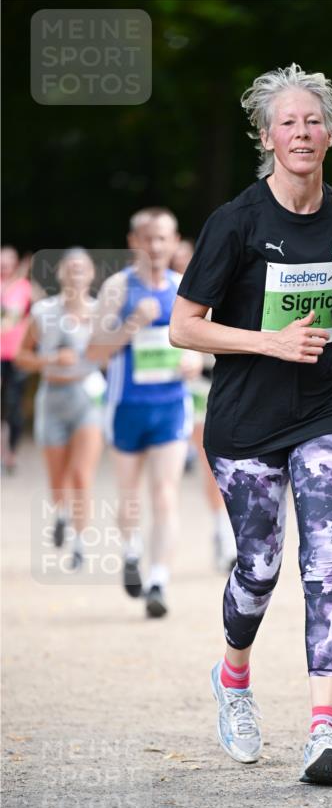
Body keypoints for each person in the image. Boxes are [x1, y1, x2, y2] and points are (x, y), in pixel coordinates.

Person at [170, 63, 332, 785]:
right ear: (266, 137)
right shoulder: (234, 223)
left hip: (330, 405)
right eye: (287, 122)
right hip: (245, 418)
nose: (301, 133)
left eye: (313, 121)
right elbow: (183, 328)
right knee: (260, 567)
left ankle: (322, 732)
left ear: (330, 133)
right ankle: (233, 678)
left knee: (326, 556)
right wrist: (268, 341)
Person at [87, 208, 202, 618]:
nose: (156, 247)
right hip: (126, 408)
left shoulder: (185, 288)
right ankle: (131, 551)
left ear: (174, 242)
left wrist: (196, 362)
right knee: (130, 494)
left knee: (166, 495)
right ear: (134, 241)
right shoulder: (118, 289)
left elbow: (204, 346)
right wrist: (130, 325)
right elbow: (93, 352)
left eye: (163, 239)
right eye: (148, 238)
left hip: (170, 406)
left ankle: (158, 582)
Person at [16, 249, 104, 568]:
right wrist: (51, 359)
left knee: (81, 475)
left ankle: (79, 546)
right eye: (71, 267)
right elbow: (22, 357)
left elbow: (112, 356)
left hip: (87, 399)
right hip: (52, 397)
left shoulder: (100, 313)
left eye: (83, 268)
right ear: (61, 274)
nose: (76, 273)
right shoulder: (42, 312)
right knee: (58, 479)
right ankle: (62, 513)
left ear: (92, 275)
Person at [170, 239, 236, 574]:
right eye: (177, 260)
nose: (182, 264)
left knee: (229, 465)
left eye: (187, 259)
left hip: (223, 381)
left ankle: (227, 531)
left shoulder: (219, 286)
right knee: (212, 464)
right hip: (187, 387)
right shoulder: (168, 296)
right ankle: (223, 534)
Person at [1, 246, 32, 473]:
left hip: (16, 354)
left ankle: (10, 454)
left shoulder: (24, 287)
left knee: (14, 406)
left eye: (9, 261)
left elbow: (12, 318)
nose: (5, 266)